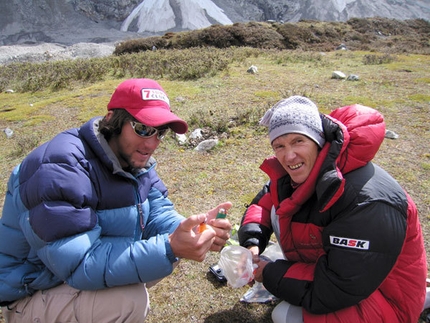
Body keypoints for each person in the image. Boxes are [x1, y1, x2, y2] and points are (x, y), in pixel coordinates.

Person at [0, 78, 232, 322]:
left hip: (64, 277)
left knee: (164, 254)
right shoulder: (59, 169)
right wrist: (170, 246)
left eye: (160, 132)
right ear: (112, 120)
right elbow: (80, 265)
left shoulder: (133, 160)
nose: (152, 143)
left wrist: (194, 230)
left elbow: (157, 212)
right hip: (30, 292)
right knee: (128, 300)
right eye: (143, 128)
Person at [238, 96, 427, 323]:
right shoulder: (303, 174)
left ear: (319, 141)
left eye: (298, 141)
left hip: (387, 299)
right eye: (279, 145)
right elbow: (263, 202)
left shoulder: (367, 201)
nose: (289, 156)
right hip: (356, 277)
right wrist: (252, 244)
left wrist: (268, 273)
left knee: (285, 316)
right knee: (276, 209)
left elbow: (335, 288)